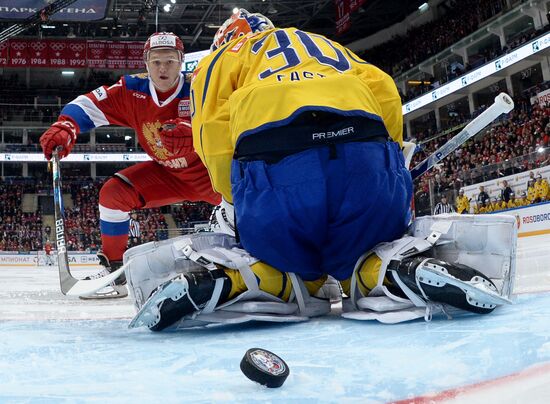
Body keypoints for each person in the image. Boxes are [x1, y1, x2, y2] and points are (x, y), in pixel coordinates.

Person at [123, 10, 513, 331]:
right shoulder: (324, 45)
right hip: (366, 158)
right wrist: (391, 162)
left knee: (289, 264)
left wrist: (235, 198)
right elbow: (386, 94)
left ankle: (246, 280)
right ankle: (393, 269)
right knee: (362, 251)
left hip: (277, 170)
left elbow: (211, 136)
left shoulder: (220, 59)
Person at [39, 32, 221, 298]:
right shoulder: (131, 90)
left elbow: (236, 124)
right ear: (146, 62)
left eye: (170, 61)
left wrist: (197, 133)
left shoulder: (202, 87)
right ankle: (116, 274)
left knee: (252, 207)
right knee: (113, 194)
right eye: (156, 61)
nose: (163, 68)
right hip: (168, 174)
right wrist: (67, 125)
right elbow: (87, 104)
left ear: (181, 62)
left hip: (212, 173)